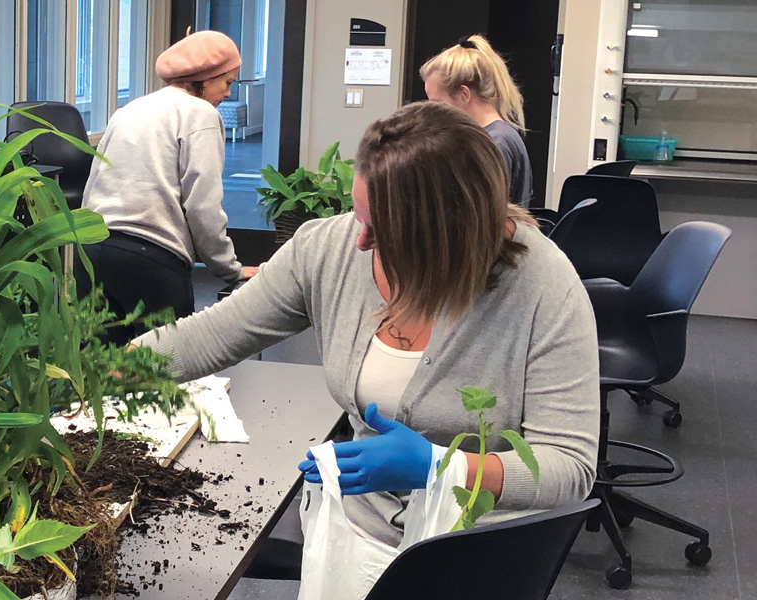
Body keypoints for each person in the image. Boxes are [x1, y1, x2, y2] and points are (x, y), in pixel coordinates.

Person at [133, 102, 598, 573]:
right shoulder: (328, 249)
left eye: (386, 231)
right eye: (361, 217)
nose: (361, 242)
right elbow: (212, 335)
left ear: (450, 232)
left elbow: (568, 469)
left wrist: (444, 469)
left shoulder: (542, 285)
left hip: (473, 548)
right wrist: (98, 371)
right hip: (357, 528)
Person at [77, 30, 258, 346]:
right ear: (203, 78)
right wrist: (231, 270)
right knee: (167, 373)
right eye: (226, 82)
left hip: (93, 254)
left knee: (100, 375)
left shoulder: (131, 109)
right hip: (150, 260)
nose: (228, 93)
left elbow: (94, 183)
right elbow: (202, 207)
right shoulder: (200, 113)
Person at [420, 34, 533, 207]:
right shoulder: (491, 137)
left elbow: (482, 217)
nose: (433, 112)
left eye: (437, 103)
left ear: (464, 94)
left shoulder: (495, 143)